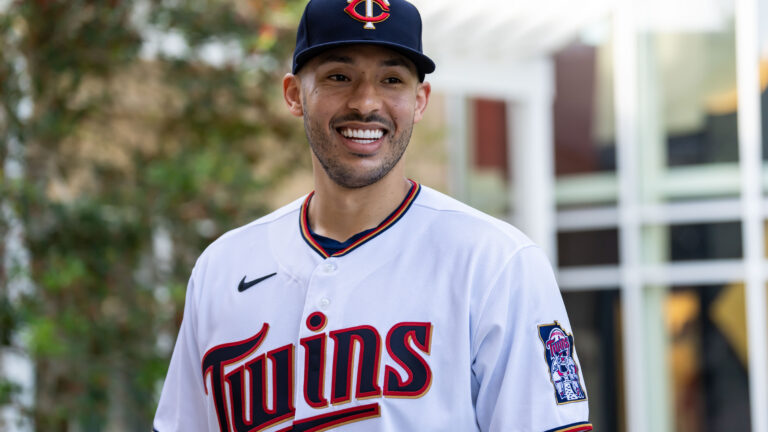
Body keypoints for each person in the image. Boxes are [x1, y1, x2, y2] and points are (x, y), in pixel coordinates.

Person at [152, 0, 592, 431]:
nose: (366, 102)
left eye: (391, 80)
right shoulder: (222, 267)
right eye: (339, 77)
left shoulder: (496, 263)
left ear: (420, 101)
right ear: (294, 95)